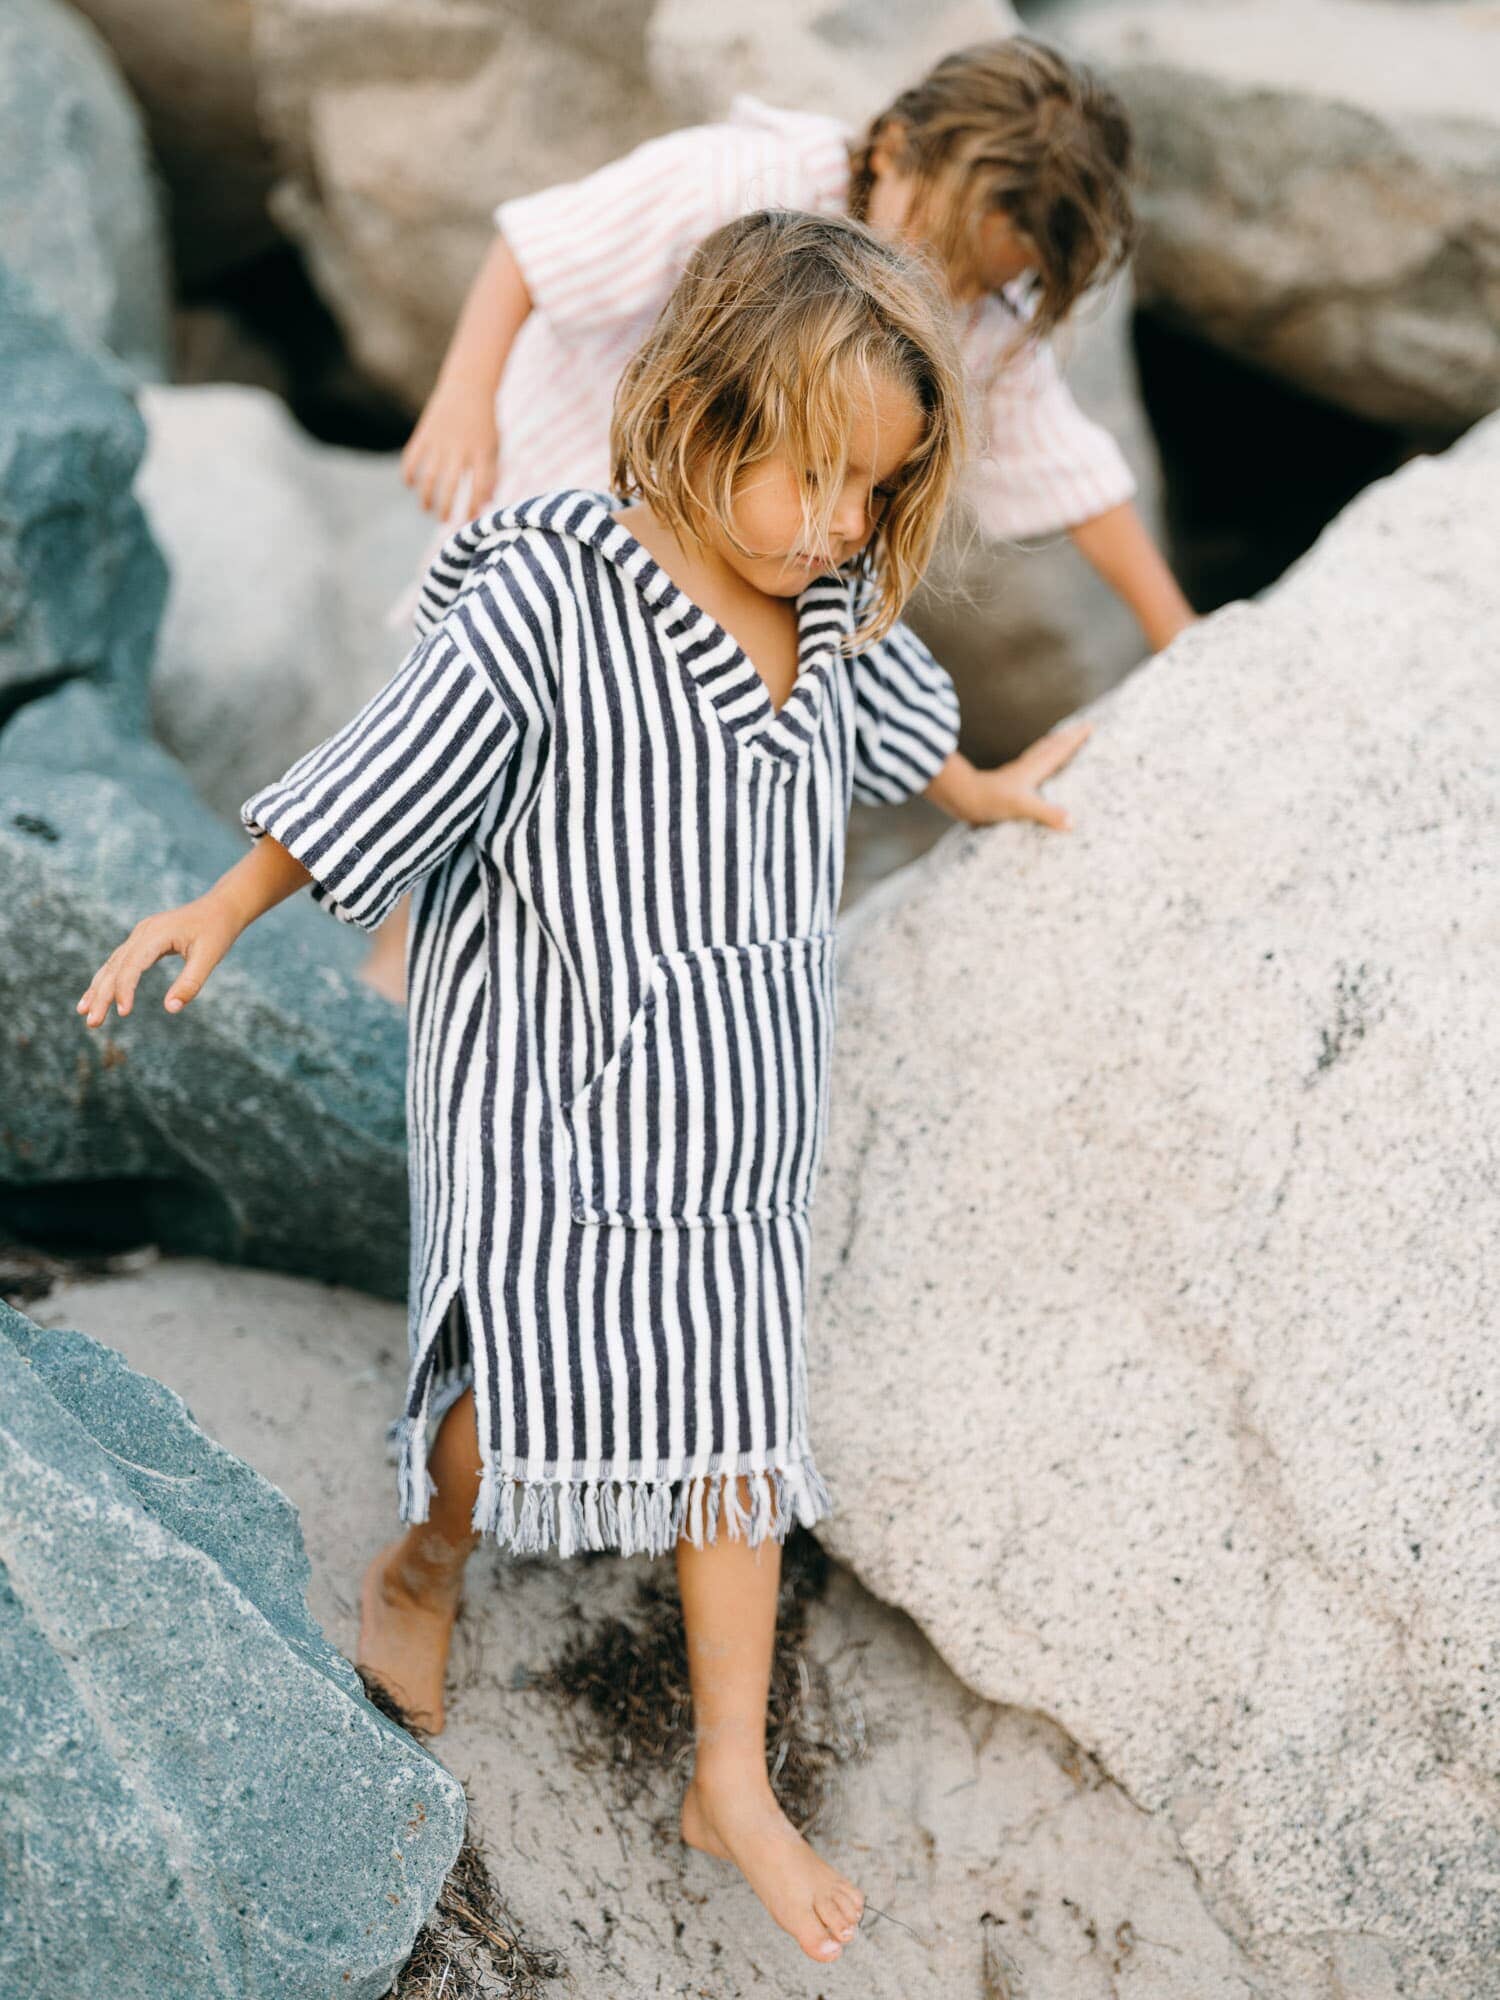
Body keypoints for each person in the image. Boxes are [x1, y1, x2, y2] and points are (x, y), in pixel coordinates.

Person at [77, 211, 1088, 1967]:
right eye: (814, 481)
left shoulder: (829, 604)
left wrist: (988, 788)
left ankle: (728, 1775)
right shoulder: (556, 590)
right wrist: (225, 902)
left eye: (877, 494)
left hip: (736, 1103)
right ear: (695, 414)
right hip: (554, 1087)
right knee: (512, 1393)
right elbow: (396, 757)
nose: (845, 528)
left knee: (733, 1430)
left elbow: (895, 726)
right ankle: (426, 1559)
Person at [362, 35, 1191, 1002]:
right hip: (579, 480)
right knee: (496, 727)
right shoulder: (749, 177)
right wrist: (466, 394)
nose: (953, 289)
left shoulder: (961, 305)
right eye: (947, 251)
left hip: (753, 555)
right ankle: (403, 969)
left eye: (985, 281)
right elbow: (543, 246)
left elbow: (1069, 468)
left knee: (641, 777)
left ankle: (618, 965)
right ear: (891, 153)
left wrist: (1180, 635)